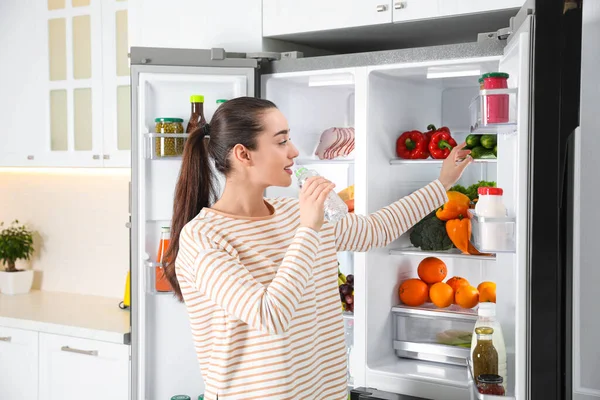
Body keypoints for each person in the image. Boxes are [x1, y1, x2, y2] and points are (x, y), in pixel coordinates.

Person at [164, 97, 471, 400]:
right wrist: (309, 228)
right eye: (282, 141)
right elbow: (270, 315)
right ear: (244, 154)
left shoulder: (293, 211)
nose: (294, 152)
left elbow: (376, 230)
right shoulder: (204, 237)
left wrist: (442, 183)